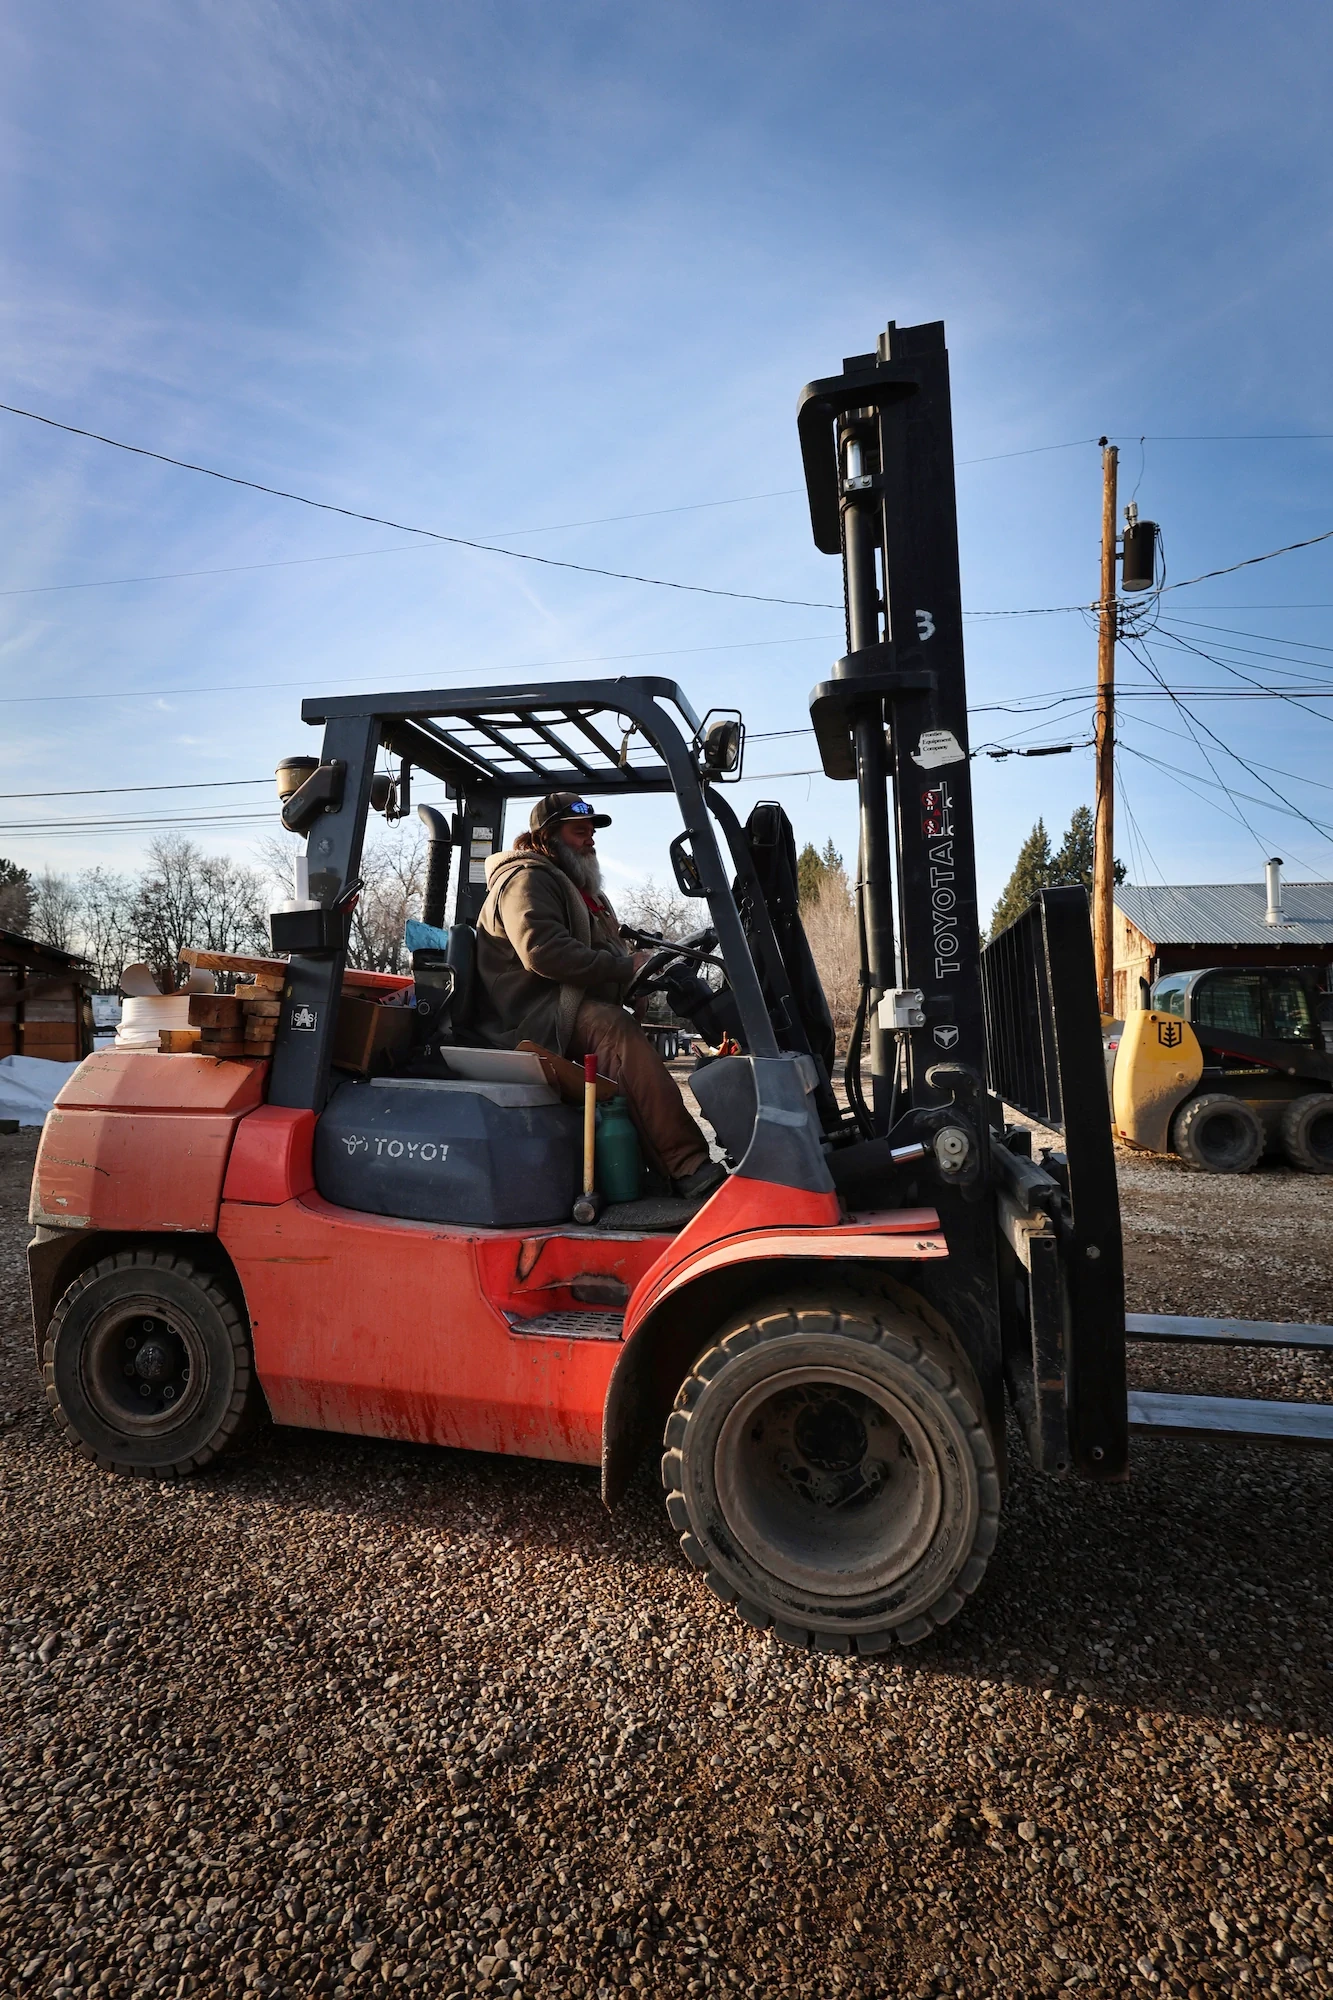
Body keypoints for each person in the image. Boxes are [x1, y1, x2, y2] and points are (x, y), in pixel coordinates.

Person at [473, 792, 725, 1202]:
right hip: (532, 1016)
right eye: (580, 832)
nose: (591, 841)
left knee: (621, 1024)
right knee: (614, 1031)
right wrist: (626, 968)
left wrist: (637, 978)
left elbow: (613, 951)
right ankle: (687, 1165)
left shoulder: (585, 893)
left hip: (567, 1007)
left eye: (591, 833)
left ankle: (652, 1168)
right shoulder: (527, 879)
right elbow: (543, 951)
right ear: (547, 838)